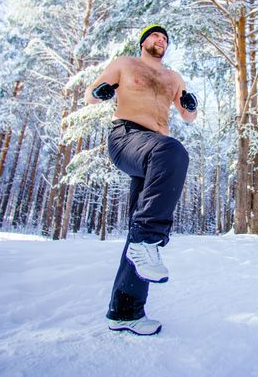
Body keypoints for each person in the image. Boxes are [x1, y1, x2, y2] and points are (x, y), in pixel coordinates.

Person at [85, 24, 198, 335]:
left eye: (165, 38)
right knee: (174, 152)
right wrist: (101, 91)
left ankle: (125, 312)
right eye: (155, 36)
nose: (160, 40)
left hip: (155, 152)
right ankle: (148, 240)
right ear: (144, 41)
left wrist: (191, 106)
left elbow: (187, 115)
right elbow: (91, 95)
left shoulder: (173, 77)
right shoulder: (126, 64)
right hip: (127, 137)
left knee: (139, 229)